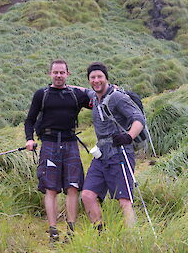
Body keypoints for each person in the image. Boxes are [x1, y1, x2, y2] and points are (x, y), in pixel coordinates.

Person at [24, 59, 90, 242]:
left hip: (70, 143)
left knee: (73, 187)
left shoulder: (76, 95)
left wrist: (113, 89)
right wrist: (29, 139)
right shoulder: (41, 95)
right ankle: (53, 231)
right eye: (55, 72)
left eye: (62, 72)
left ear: (68, 74)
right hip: (49, 144)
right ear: (50, 74)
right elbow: (29, 120)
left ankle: (71, 230)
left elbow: (97, 98)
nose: (58, 76)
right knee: (50, 188)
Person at [81, 62, 145, 228]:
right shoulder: (94, 97)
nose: (96, 80)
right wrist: (61, 84)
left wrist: (128, 136)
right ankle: (101, 234)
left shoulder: (117, 97)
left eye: (99, 77)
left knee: (124, 201)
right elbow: (83, 90)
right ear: (89, 80)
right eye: (92, 77)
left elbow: (139, 119)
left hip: (120, 152)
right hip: (100, 155)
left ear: (106, 78)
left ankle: (134, 241)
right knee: (87, 195)